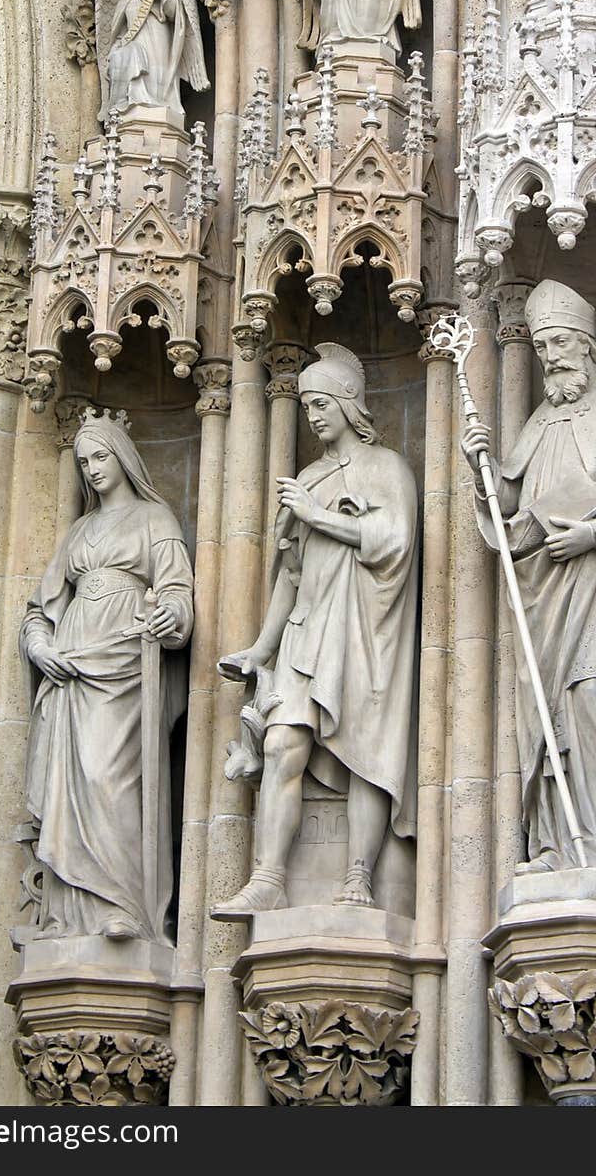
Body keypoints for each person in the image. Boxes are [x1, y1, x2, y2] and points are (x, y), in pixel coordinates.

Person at [461, 280, 596, 874]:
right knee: (546, 713)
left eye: (559, 342)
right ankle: (558, 842)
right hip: (545, 592)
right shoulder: (537, 423)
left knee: (595, 699)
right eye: (541, 346)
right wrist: (482, 467)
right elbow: (512, 506)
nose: (551, 355)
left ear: (585, 344)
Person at [213, 344, 419, 917]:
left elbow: (394, 539)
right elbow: (291, 573)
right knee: (281, 744)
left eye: (322, 402)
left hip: (366, 630)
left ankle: (359, 875)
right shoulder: (308, 477)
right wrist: (261, 648)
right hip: (307, 630)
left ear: (350, 404)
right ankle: (270, 877)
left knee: (366, 756)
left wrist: (316, 515)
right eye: (306, 406)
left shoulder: (386, 468)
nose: (313, 415)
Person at [20, 408, 193, 941]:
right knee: (67, 786)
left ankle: (126, 906)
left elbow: (178, 592)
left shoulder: (154, 520)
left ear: (122, 457)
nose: (92, 469)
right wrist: (41, 644)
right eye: (83, 461)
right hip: (71, 667)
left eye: (100, 457)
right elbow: (39, 607)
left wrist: (173, 616)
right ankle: (68, 914)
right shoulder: (79, 531)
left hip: (124, 664)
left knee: (110, 778)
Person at [99, 0, 189, 119]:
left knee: (157, 77)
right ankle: (131, 104)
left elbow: (172, 13)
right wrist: (116, 46)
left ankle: (160, 103)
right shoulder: (123, 0)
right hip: (135, 43)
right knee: (126, 59)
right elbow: (120, 32)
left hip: (158, 40)